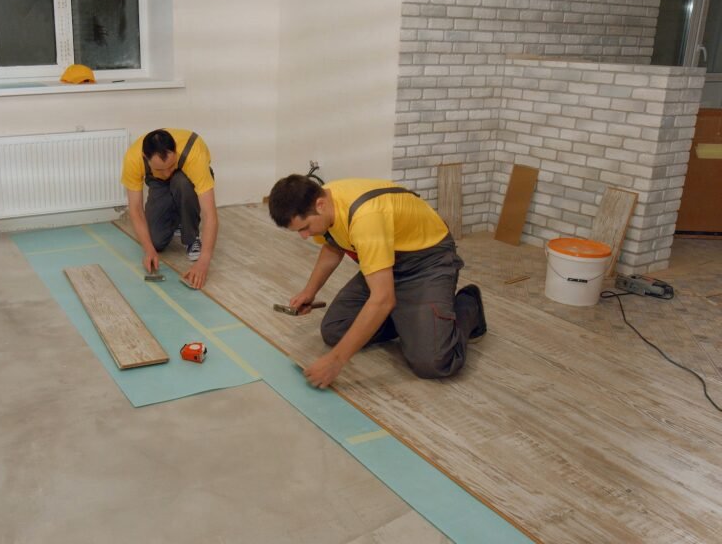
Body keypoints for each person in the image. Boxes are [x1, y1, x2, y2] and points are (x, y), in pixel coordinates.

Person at [267, 175, 486, 388]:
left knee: (434, 362)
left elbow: (382, 299)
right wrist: (310, 291)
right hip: (387, 261)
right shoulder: (325, 202)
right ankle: (412, 322)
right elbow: (333, 245)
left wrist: (335, 361)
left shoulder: (365, 217)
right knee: (336, 330)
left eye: (304, 228)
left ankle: (469, 304)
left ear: (320, 204)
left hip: (427, 262)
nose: (304, 236)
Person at [121, 128, 218, 289]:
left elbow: (210, 214)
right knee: (156, 241)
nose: (166, 173)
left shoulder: (194, 152)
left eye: (170, 166)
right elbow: (136, 209)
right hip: (157, 183)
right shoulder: (133, 158)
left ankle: (191, 237)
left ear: (176, 152)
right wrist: (149, 250)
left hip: (184, 178)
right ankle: (178, 219)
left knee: (182, 183)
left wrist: (204, 262)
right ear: (145, 157)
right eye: (160, 169)